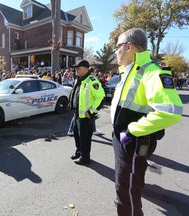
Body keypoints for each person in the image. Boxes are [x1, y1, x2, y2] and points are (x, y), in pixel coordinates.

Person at [111, 28, 183, 216]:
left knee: (127, 190)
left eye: (117, 46)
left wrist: (133, 130)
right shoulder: (128, 71)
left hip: (134, 142)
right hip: (123, 139)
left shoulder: (152, 72)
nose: (114, 51)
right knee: (126, 185)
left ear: (129, 47)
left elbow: (171, 111)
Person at [69, 59, 105, 165]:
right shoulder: (79, 80)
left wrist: (91, 112)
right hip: (77, 114)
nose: (76, 70)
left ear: (85, 69)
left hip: (86, 116)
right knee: (77, 135)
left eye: (78, 68)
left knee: (85, 138)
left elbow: (100, 98)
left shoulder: (92, 81)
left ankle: (85, 158)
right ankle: (79, 152)